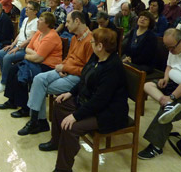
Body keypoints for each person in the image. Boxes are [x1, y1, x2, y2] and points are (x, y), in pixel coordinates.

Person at [39, 28, 128, 172]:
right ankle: (57, 142)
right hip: (90, 102)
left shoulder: (113, 67)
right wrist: (70, 93)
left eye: (93, 42)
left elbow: (101, 100)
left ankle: (62, 169)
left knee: (71, 127)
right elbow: (84, 79)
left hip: (108, 113)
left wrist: (75, 116)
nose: (91, 43)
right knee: (59, 103)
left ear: (100, 46)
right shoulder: (97, 57)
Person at [19, 11, 94, 136]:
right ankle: (37, 121)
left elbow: (88, 72)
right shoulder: (75, 38)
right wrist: (63, 67)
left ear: (77, 21)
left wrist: (66, 68)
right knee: (38, 79)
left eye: (68, 22)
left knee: (39, 87)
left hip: (76, 77)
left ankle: (37, 121)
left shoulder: (90, 41)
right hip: (65, 70)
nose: (65, 25)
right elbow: (69, 57)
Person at [138, 28, 181, 160]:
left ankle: (156, 147)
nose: (170, 51)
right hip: (174, 84)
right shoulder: (174, 47)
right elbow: (169, 66)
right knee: (148, 85)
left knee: (165, 113)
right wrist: (165, 78)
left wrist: (172, 97)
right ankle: (168, 104)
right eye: (167, 47)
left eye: (171, 47)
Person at [0, 12, 62, 117]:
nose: (38, 21)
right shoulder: (39, 33)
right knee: (13, 69)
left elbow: (39, 58)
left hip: (48, 67)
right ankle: (12, 101)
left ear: (48, 24)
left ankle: (25, 108)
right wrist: (32, 54)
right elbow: (28, 48)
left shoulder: (51, 37)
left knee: (21, 74)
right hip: (35, 62)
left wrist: (29, 55)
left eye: (41, 19)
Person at [0, 1, 39, 93]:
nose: (26, 9)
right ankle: (5, 78)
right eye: (26, 7)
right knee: (1, 53)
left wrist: (17, 48)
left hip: (26, 49)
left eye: (29, 8)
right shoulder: (26, 19)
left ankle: (4, 83)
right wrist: (12, 44)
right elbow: (20, 34)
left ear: (35, 11)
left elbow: (30, 39)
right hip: (18, 46)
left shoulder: (36, 22)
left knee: (7, 57)